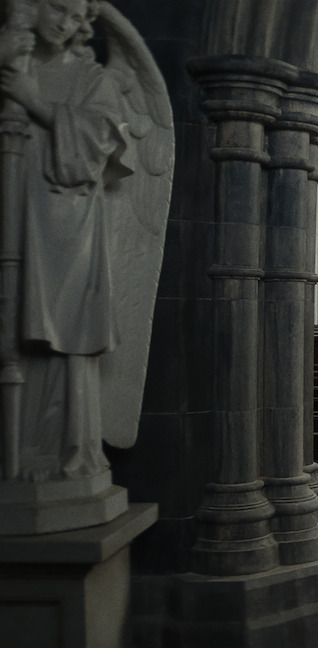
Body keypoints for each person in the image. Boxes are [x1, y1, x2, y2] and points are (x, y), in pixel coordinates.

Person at [0, 0, 134, 480]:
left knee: (66, 333)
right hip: (13, 212)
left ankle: (65, 454)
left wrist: (34, 101)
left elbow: (100, 146)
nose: (67, 23)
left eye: (79, 18)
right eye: (59, 8)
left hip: (66, 223)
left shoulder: (91, 79)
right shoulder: (7, 62)